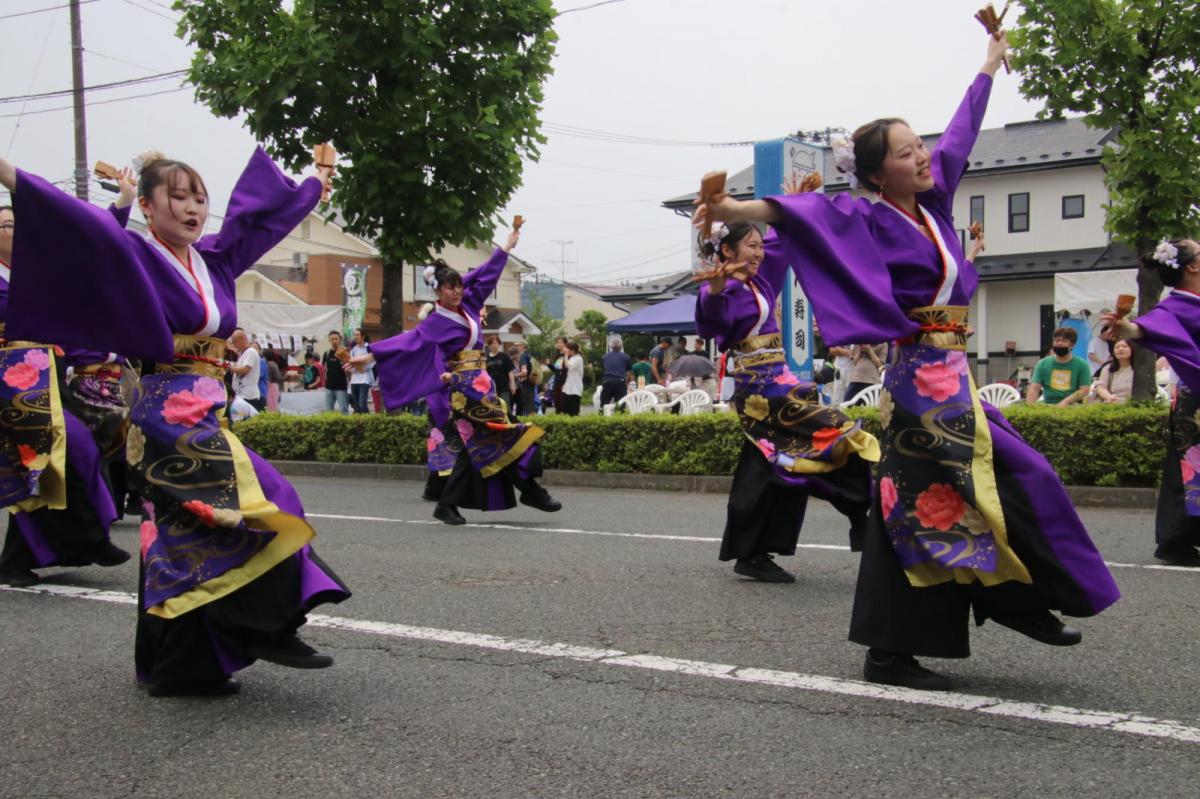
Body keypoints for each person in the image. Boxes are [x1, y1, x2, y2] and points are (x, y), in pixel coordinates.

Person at [691, 31, 1119, 690]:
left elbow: (962, 135)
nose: (922, 155)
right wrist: (731, 208)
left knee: (918, 504)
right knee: (991, 482)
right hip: (919, 382)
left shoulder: (937, 204)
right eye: (904, 152)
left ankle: (951, 625)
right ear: (875, 173)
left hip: (951, 379)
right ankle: (1013, 601)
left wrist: (989, 64)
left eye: (920, 145)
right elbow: (800, 214)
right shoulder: (870, 220)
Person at [1, 145, 351, 696]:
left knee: (179, 534)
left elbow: (263, 218)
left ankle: (181, 666)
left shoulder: (216, 259)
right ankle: (264, 623)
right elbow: (77, 226)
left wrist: (316, 179)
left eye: (199, 198)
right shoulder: (133, 254)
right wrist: (7, 172)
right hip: (163, 413)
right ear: (146, 204)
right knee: (268, 498)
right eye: (178, 196)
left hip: (206, 408)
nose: (192, 207)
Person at [695, 207, 879, 585]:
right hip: (760, 391)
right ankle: (860, 508)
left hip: (779, 382)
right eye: (750, 246)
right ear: (727, 251)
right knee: (836, 430)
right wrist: (714, 287)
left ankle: (753, 553)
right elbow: (713, 321)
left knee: (775, 467)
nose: (759, 252)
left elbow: (780, 245)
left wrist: (789, 205)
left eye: (760, 246)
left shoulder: (760, 281)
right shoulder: (723, 288)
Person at [350, 231, 562, 526]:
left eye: (459, 286)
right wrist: (370, 354)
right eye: (450, 288)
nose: (457, 292)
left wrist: (506, 247)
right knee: (498, 434)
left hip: (482, 386)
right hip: (461, 391)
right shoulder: (434, 323)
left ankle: (454, 503)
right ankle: (530, 491)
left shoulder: (471, 304)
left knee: (485, 442)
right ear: (437, 292)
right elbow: (408, 342)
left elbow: (484, 275)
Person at [0, 195, 129, 588]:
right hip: (7, 382)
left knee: (57, 458)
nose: (17, 230)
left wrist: (122, 204)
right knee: (65, 447)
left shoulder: (37, 274)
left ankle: (31, 555)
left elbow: (90, 245)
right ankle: (90, 538)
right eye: (8, 225)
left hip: (43, 378)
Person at [1102, 238, 1200, 566]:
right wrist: (1125, 327)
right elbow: (1144, 327)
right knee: (1188, 471)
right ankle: (1175, 542)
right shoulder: (1176, 306)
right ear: (1192, 266)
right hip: (1195, 399)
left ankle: (1180, 540)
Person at [1027, 327, 1092, 406]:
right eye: (1057, 340)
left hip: (1073, 406)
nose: (1059, 343)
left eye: (1064, 341)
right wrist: (1030, 408)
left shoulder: (1082, 365)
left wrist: (1066, 401)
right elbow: (1034, 388)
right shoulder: (1042, 364)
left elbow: (1084, 390)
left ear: (1072, 344)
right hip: (1048, 405)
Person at [229, 329, 264, 412]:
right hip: (242, 395)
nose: (234, 345)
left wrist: (230, 368)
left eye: (235, 342)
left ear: (242, 338)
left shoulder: (251, 351)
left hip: (248, 396)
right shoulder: (244, 354)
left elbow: (245, 370)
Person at [1089, 339, 1133, 404]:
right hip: (1111, 402)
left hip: (1133, 404)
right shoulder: (1108, 368)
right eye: (1117, 347)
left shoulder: (1139, 369)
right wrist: (1109, 397)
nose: (1120, 349)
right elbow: (1101, 387)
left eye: (1124, 346)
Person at [484, 334, 517, 419]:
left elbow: (510, 372)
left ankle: (510, 427)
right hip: (491, 389)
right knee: (494, 410)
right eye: (491, 343)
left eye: (495, 343)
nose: (493, 345)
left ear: (499, 344)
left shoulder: (504, 356)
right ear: (489, 345)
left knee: (505, 408)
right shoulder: (486, 359)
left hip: (503, 388)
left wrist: (512, 384)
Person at [322, 330, 350, 413]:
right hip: (329, 387)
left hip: (341, 387)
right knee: (328, 411)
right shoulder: (326, 353)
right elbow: (324, 368)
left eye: (336, 339)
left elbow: (349, 369)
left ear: (340, 340)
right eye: (332, 339)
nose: (334, 341)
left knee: (343, 410)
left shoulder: (344, 352)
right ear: (329, 341)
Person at [600, 339, 632, 407]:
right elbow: (628, 372)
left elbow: (604, 368)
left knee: (604, 404)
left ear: (611, 347)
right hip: (620, 381)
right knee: (621, 404)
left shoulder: (605, 357)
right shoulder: (626, 357)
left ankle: (601, 415)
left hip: (607, 381)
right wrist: (627, 382)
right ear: (621, 347)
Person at [348, 327, 373, 414]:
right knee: (356, 406)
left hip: (364, 379)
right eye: (354, 335)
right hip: (354, 379)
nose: (355, 337)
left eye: (357, 335)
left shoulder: (369, 347)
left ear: (363, 336)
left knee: (362, 404)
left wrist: (360, 366)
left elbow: (371, 363)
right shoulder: (353, 350)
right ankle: (360, 423)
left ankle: (368, 420)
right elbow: (350, 362)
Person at [561, 341, 585, 416]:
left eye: (567, 348)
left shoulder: (578, 359)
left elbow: (568, 365)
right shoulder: (572, 358)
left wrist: (565, 354)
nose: (566, 350)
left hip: (575, 388)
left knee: (573, 411)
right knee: (566, 410)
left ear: (572, 350)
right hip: (568, 387)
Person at [514, 340, 535, 416]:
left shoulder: (523, 356)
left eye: (518, 345)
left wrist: (514, 376)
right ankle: (535, 421)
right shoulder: (530, 355)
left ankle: (531, 424)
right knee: (531, 404)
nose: (516, 347)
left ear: (522, 346)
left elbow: (524, 372)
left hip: (525, 383)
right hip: (532, 382)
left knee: (527, 406)